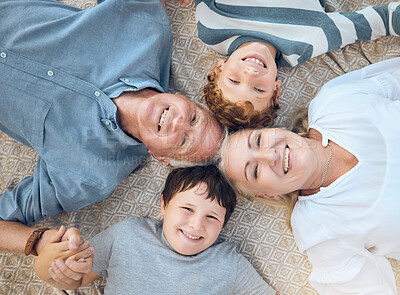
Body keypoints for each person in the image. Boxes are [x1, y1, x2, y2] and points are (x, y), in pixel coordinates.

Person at [0, 0, 224, 232]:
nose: (178, 123)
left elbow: (6, 216)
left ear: (161, 157)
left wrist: (35, 244)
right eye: (194, 118)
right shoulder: (148, 30)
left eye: (183, 141)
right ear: (183, 97)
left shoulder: (91, 174)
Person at [218, 57, 400, 294]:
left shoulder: (333, 102)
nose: (270, 156)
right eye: (254, 170)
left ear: (275, 129)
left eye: (259, 141)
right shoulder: (318, 229)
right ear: (269, 195)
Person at [33, 165, 277, 294]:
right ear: (164, 206)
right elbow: (73, 280)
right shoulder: (128, 235)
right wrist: (57, 265)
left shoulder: (228, 265)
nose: (196, 225)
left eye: (212, 217)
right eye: (187, 209)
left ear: (224, 224)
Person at [192, 0, 400, 129]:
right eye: (258, 88)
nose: (250, 73)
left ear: (218, 68)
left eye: (234, 80)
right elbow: (382, 21)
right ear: (276, 88)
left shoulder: (212, 27)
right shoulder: (310, 40)